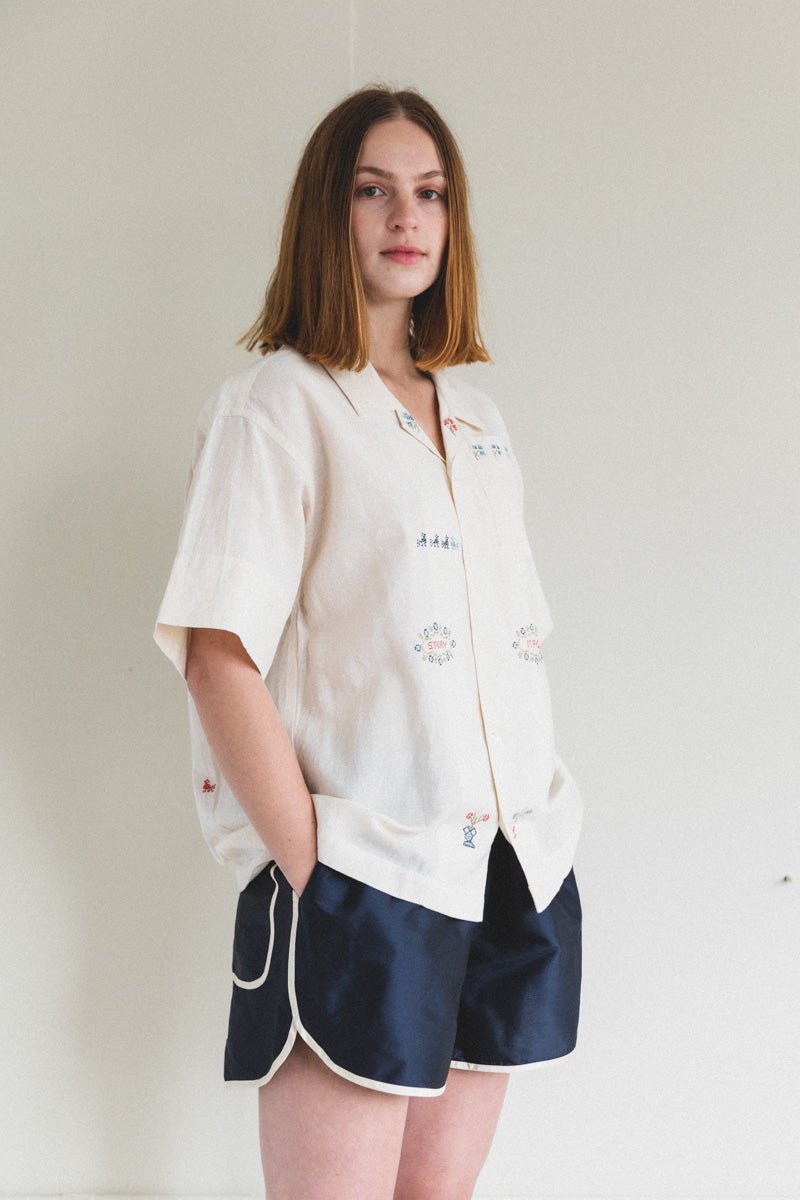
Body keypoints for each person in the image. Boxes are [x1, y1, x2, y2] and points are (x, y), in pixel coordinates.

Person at [155, 86, 583, 1200]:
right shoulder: (276, 407)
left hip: (505, 873)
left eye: (430, 194)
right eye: (372, 190)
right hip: (363, 876)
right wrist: (318, 872)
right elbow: (216, 654)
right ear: (326, 212)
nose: (406, 217)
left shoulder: (480, 425)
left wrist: (541, 823)